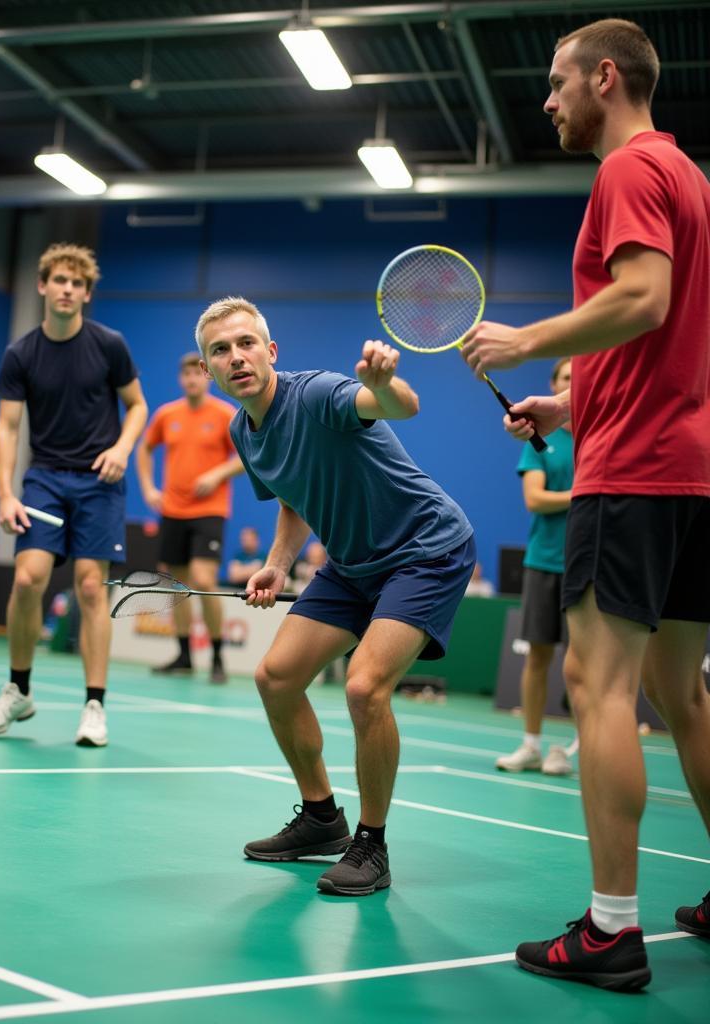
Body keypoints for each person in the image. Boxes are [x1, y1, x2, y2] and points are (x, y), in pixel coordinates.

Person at [460, 18, 710, 990]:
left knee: (600, 691)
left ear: (605, 78)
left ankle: (610, 929)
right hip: (689, 466)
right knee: (681, 694)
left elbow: (642, 299)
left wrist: (528, 343)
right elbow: (667, 335)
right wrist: (568, 399)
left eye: (558, 83)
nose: (547, 101)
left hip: (633, 472)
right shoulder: (687, 175)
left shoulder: (627, 171)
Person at [196, 296, 475, 897]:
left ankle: (370, 845)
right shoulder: (243, 431)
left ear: (271, 352)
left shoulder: (319, 394)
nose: (235, 357)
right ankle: (322, 817)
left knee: (364, 686)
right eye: (220, 350)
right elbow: (292, 497)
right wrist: (276, 565)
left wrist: (384, 383)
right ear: (208, 369)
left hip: (426, 549)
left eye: (246, 344)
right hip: (352, 566)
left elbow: (401, 405)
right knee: (276, 678)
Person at [0, 243, 148, 747]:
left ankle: (94, 705)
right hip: (44, 478)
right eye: (59, 280)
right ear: (43, 286)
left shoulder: (109, 344)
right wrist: (6, 494)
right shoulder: (20, 353)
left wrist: (121, 448)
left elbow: (137, 406)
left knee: (91, 588)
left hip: (100, 480)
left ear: (86, 293)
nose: (67, 289)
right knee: (28, 580)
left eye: (77, 283)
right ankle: (18, 689)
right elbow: (7, 429)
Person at [136, 351, 243, 683]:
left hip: (209, 512)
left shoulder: (225, 414)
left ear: (208, 376)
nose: (192, 380)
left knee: (205, 580)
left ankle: (217, 656)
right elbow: (144, 449)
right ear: (181, 379)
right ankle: (183, 655)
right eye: (186, 375)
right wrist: (149, 490)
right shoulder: (167, 415)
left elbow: (246, 456)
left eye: (198, 374)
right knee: (177, 585)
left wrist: (218, 474)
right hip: (172, 511)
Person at [496, 358, 577, 776]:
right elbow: (536, 499)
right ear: (553, 387)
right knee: (539, 657)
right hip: (545, 560)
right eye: (565, 378)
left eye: (577, 379)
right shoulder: (541, 441)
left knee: (584, 662)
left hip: (591, 563)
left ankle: (580, 746)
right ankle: (530, 744)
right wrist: (587, 493)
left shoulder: (599, 436)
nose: (571, 384)